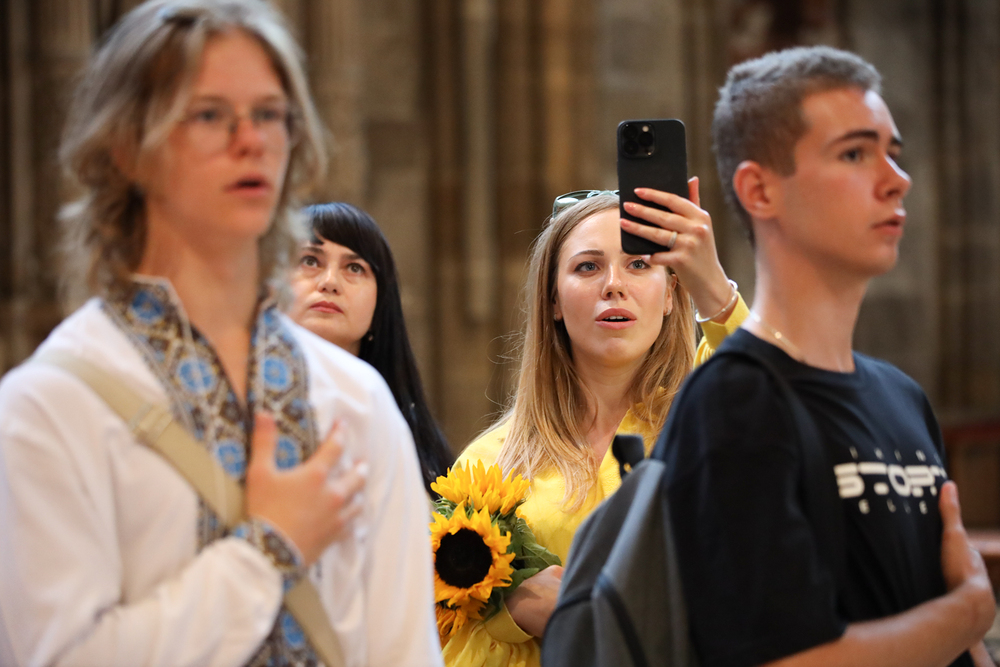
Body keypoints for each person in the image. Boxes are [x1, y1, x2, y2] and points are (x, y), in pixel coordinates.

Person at [0, 2, 441, 665]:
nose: (251, 139)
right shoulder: (50, 404)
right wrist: (267, 552)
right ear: (127, 147)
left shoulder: (355, 400)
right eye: (210, 115)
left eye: (270, 114)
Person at [660, 45, 995, 667]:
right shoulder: (733, 401)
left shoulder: (903, 397)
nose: (897, 179)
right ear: (760, 190)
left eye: (893, 153)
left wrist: (969, 633)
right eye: (855, 154)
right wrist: (969, 613)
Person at [443, 183, 749, 666]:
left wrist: (712, 286)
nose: (613, 284)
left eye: (639, 265)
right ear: (553, 301)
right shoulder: (488, 463)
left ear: (672, 296)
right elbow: (442, 638)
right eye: (588, 266)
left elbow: (772, 389)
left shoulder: (707, 419)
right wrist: (510, 611)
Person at [287, 202, 453, 496]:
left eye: (354, 268)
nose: (329, 282)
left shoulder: (411, 445)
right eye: (310, 260)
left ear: (380, 304)